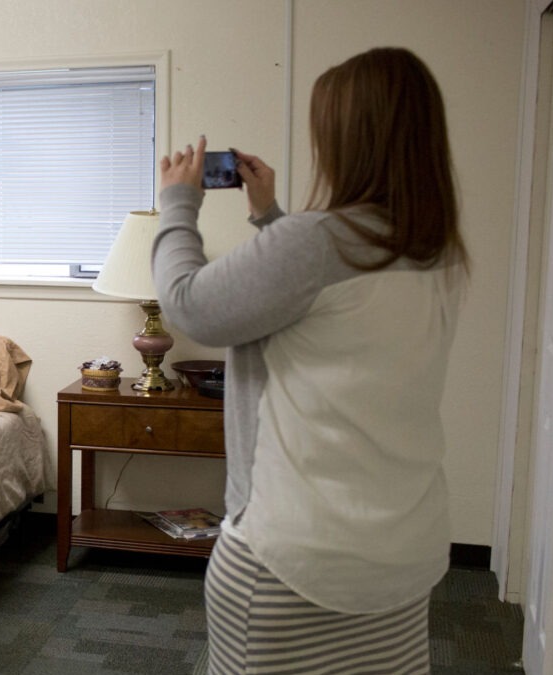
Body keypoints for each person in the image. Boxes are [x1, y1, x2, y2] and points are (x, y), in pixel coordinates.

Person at [151, 47, 468, 673]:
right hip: (405, 551)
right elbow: (328, 307)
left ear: (347, 140)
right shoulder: (440, 253)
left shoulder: (318, 241)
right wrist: (269, 216)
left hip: (291, 561)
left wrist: (177, 205)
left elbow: (188, 307)